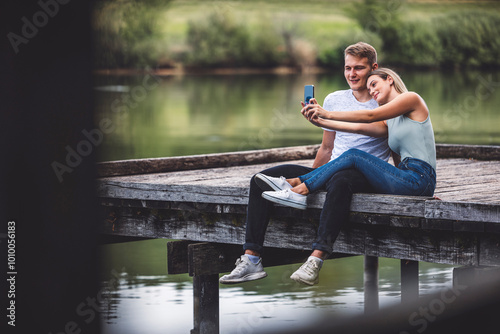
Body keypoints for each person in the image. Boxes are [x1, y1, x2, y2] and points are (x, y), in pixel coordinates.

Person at [219, 42, 391, 286]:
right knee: (259, 181)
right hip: (331, 171)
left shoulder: (384, 101)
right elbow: (327, 148)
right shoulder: (333, 100)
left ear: (374, 67)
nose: (352, 74)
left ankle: (316, 260)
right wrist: (313, 178)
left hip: (362, 175)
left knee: (341, 180)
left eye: (359, 68)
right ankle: (251, 259)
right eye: (347, 68)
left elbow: (395, 144)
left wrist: (410, 186)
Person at [261, 68, 436, 236]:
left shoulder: (412, 99)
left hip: (420, 178)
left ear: (389, 79)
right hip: (407, 179)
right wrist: (320, 121)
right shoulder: (390, 120)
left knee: (354, 155)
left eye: (374, 84)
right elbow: (359, 127)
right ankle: (294, 185)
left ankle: (297, 187)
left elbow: (369, 116)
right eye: (369, 88)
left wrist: (328, 114)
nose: (372, 91)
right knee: (353, 155)